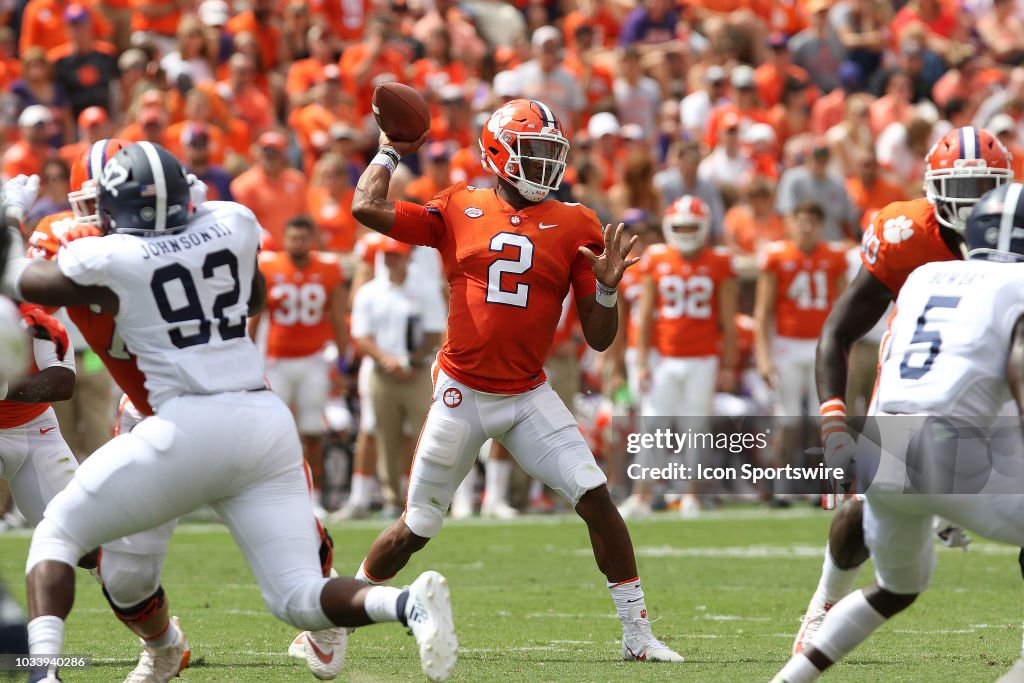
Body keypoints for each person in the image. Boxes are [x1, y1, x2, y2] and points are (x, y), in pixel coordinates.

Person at [0, 143, 458, 683]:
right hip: (261, 420)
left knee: (55, 533)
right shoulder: (232, 221)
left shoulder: (106, 254)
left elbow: (20, 280)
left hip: (183, 425)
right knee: (297, 596)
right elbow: (253, 294)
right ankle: (406, 605)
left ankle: (43, 673)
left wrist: (9, 216)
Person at [350, 98, 682, 662]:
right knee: (416, 529)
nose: (545, 166)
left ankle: (638, 635)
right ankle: (335, 616)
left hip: (528, 393)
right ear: (499, 153)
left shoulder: (576, 221)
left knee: (597, 498)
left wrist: (605, 289)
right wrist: (389, 150)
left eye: (551, 154)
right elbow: (367, 206)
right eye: (532, 153)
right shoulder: (458, 204)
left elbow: (599, 338)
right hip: (460, 393)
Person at [773, 182, 1024, 683]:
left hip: (886, 444)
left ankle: (788, 679)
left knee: (896, 587)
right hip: (951, 446)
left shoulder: (926, 275)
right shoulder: (1017, 284)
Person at [620, 196, 737, 519]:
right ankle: (640, 497)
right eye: (680, 226)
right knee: (652, 426)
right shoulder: (656, 259)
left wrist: (728, 363)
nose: (686, 232)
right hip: (664, 357)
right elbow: (645, 317)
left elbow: (727, 320)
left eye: (691, 226)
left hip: (703, 358)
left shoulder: (719, 262)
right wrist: (643, 361)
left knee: (695, 429)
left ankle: (690, 497)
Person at [250, 215, 348, 519]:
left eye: (303, 238)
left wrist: (343, 364)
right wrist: (250, 359)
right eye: (292, 237)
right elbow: (255, 318)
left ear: (313, 240)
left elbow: (337, 318)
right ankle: (271, 496)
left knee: (312, 431)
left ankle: (314, 497)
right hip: (276, 361)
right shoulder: (269, 266)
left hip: (314, 360)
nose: (297, 243)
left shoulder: (329, 269)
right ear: (284, 238)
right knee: (273, 433)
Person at [755, 201, 847, 503]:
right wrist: (764, 356)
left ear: (819, 225)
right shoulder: (777, 256)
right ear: (790, 223)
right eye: (800, 220)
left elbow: (845, 307)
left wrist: (845, 347)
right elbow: (763, 311)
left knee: (821, 419)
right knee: (789, 419)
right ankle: (781, 486)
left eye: (811, 220)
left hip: (823, 344)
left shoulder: (833, 257)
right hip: (787, 344)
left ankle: (819, 487)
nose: (805, 226)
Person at [350, 237, 445, 518]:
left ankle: (429, 495)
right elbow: (361, 336)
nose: (392, 261)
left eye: (397, 255)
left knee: (425, 436)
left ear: (407, 257)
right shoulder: (370, 292)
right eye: (388, 256)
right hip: (382, 372)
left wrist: (409, 361)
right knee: (385, 436)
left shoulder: (425, 290)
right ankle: (393, 499)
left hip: (417, 372)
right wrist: (386, 360)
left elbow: (433, 332)